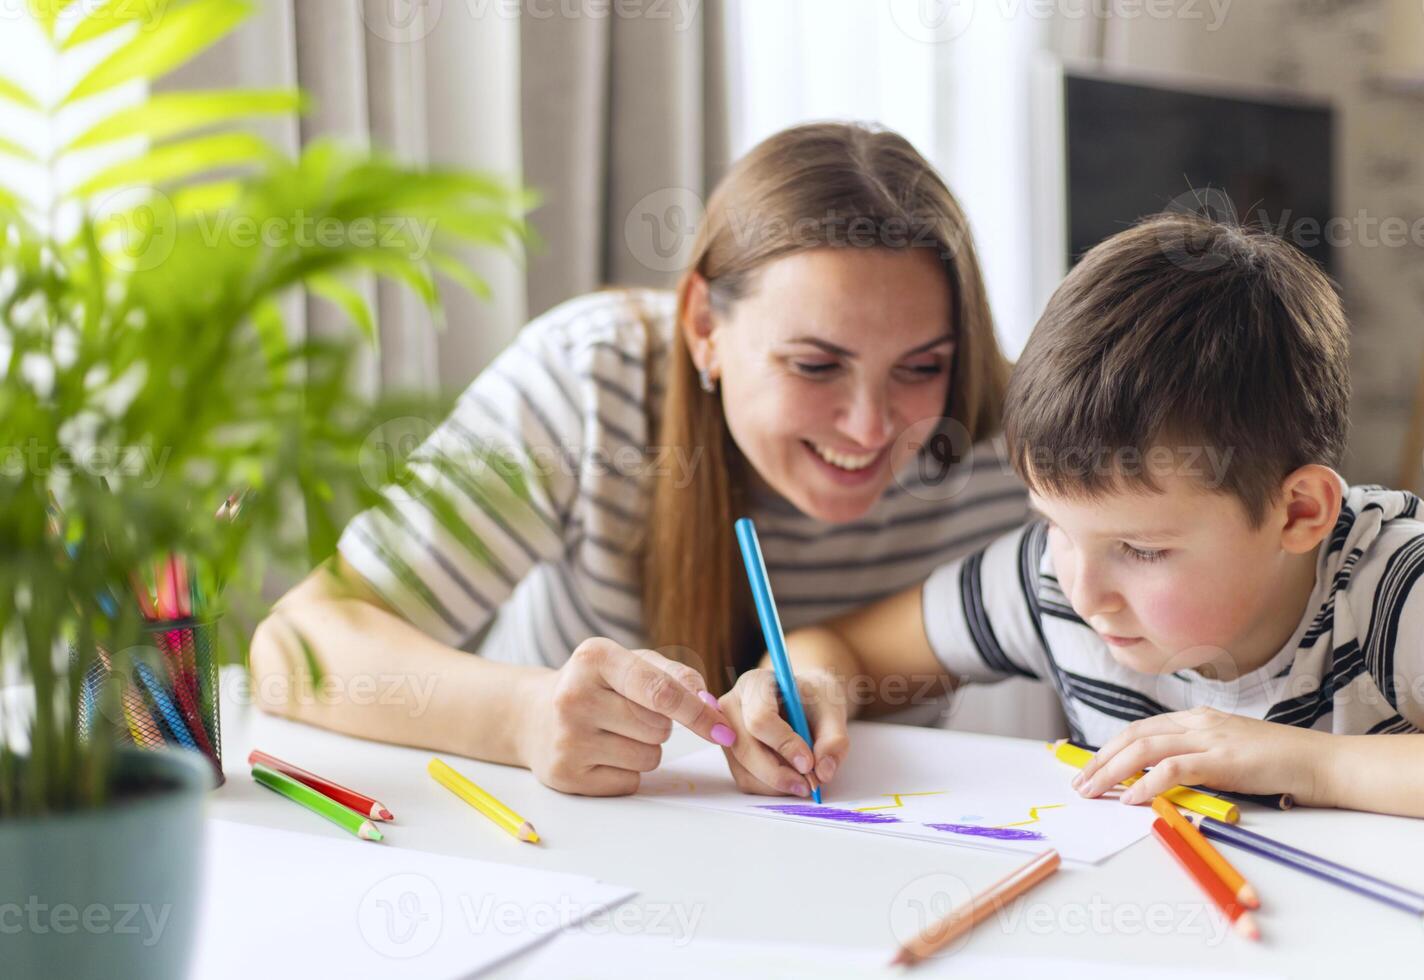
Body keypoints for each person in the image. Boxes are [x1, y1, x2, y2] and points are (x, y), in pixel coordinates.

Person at [249, 122, 1030, 796]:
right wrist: (522, 717)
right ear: (704, 326)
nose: (870, 427)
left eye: (922, 368)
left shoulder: (1010, 439)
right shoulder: (589, 380)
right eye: (815, 367)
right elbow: (294, 649)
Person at [719, 211, 1424, 822]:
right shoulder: (1051, 577)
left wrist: (1314, 764)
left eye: (1142, 550)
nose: (1085, 593)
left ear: (1299, 512)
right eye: (1054, 524)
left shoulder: (1401, 592)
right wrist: (803, 686)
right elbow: (845, 647)